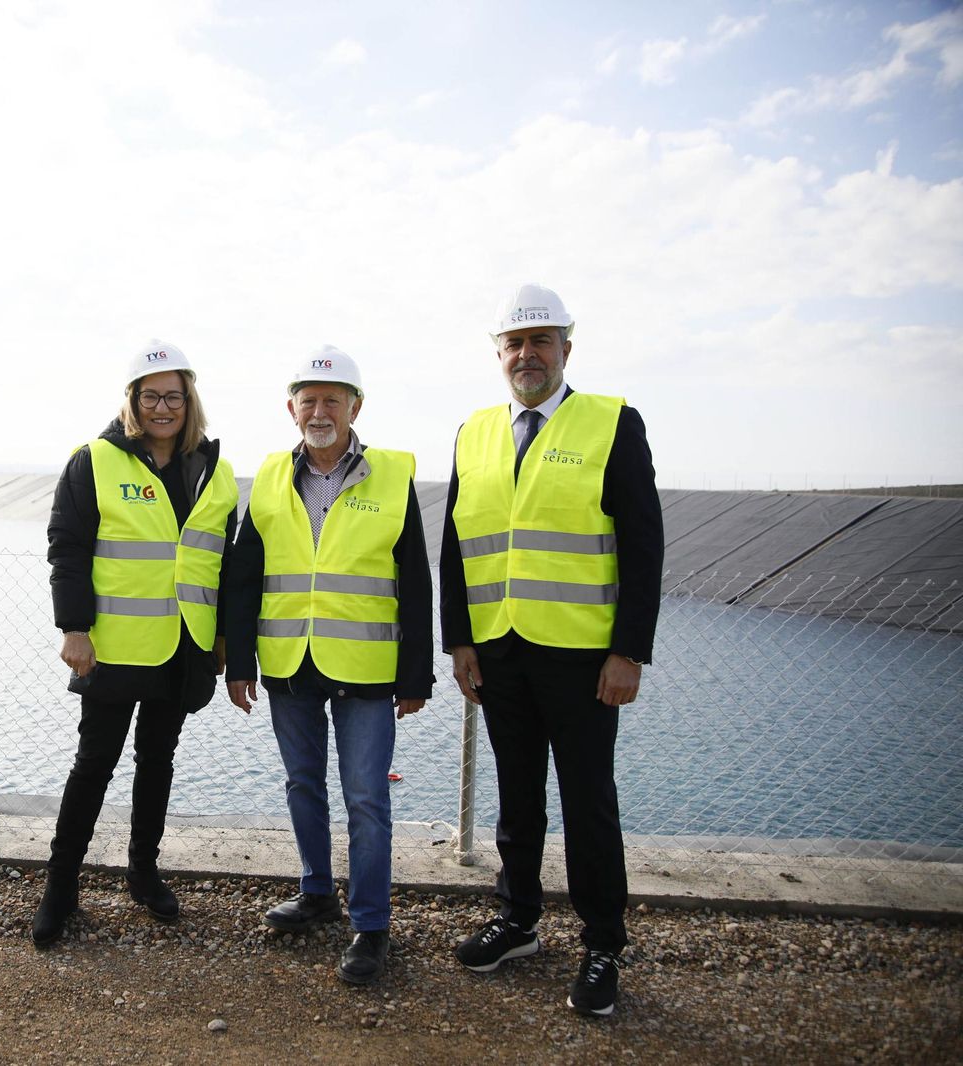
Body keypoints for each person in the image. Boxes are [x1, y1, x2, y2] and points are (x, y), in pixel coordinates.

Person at [441, 283, 664, 1017]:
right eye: (515, 343)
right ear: (499, 354)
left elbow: (642, 543)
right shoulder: (474, 432)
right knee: (516, 796)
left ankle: (604, 943)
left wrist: (628, 650)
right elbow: (455, 549)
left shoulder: (610, 424)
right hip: (499, 651)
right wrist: (459, 640)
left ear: (567, 348)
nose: (527, 354)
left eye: (542, 341)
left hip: (581, 656)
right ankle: (519, 920)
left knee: (588, 800)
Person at [223, 346, 434, 986]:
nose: (320, 411)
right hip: (289, 660)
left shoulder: (391, 477)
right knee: (302, 786)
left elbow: (415, 581)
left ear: (355, 407)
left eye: (332, 400)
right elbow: (243, 576)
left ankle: (370, 926)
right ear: (291, 409)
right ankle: (317, 892)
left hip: (368, 667)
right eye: (308, 400)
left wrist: (415, 673)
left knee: (367, 799)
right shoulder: (268, 478)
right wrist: (238, 662)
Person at [33, 340, 238, 949]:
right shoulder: (94, 461)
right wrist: (73, 627)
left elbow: (221, 562)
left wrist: (223, 635)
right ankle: (60, 889)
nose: (163, 407)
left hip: (183, 646)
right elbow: (66, 548)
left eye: (174, 396)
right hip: (113, 648)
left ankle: (143, 873)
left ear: (189, 400)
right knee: (94, 763)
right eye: (151, 395)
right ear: (133, 400)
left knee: (158, 761)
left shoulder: (215, 469)